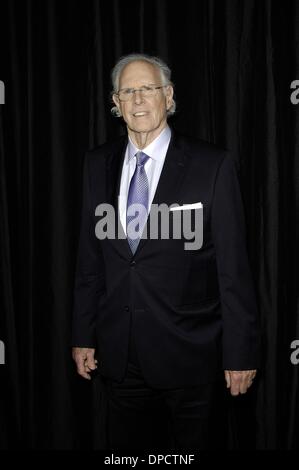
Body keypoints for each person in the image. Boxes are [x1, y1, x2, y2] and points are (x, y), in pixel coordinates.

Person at [71, 53, 260, 450]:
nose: (138, 99)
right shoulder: (96, 164)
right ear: (115, 102)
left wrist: (240, 353)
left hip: (191, 356)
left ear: (168, 96)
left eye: (148, 89)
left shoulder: (212, 165)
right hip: (120, 358)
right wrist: (83, 334)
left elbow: (233, 270)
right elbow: (90, 261)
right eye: (128, 91)